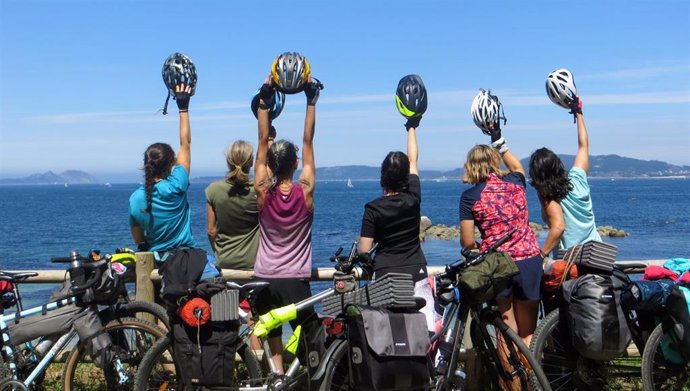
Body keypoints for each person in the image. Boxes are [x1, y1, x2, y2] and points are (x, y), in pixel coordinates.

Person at [252, 64, 323, 373]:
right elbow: (308, 143)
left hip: (263, 277)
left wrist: (265, 103)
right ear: (296, 163)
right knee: (313, 337)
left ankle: (277, 377)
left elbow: (261, 144)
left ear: (270, 164)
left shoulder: (262, 191)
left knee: (272, 336)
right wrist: (311, 101)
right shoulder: (304, 192)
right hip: (294, 279)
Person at [462, 90, 542, 347]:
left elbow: (467, 242)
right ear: (495, 162)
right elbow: (519, 168)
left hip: (499, 267)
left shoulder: (469, 197)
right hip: (530, 260)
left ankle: (513, 386)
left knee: (507, 336)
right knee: (530, 334)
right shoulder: (516, 183)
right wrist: (498, 138)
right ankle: (534, 382)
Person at [129, 82, 219, 297]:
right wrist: (183, 107)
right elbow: (185, 143)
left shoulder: (136, 199)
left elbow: (138, 239)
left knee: (163, 318)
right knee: (218, 285)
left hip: (159, 264)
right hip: (189, 259)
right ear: (171, 164)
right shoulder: (177, 184)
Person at [529, 95, 601, 259]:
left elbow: (558, 227)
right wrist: (579, 112)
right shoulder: (578, 179)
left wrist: (540, 256)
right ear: (558, 164)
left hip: (572, 262)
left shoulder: (548, 195)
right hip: (598, 256)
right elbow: (583, 145)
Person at [205, 140, 260, 270]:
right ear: (251, 162)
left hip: (225, 260)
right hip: (254, 261)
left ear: (228, 162)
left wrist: (218, 253)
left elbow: (211, 231)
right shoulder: (257, 190)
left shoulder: (214, 189)